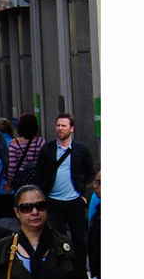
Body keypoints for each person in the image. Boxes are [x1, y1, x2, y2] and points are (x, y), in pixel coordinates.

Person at [32, 113, 97, 267]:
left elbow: (91, 174)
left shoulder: (81, 149)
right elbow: (39, 175)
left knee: (79, 239)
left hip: (75, 201)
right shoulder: (48, 149)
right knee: (57, 238)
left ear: (71, 129)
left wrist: (84, 197)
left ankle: (80, 269)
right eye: (58, 125)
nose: (60, 129)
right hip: (54, 201)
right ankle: (61, 268)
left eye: (63, 126)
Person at [6, 113, 45, 195]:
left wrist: (9, 185)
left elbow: (12, 167)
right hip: (37, 178)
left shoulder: (14, 143)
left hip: (21, 179)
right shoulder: (41, 142)